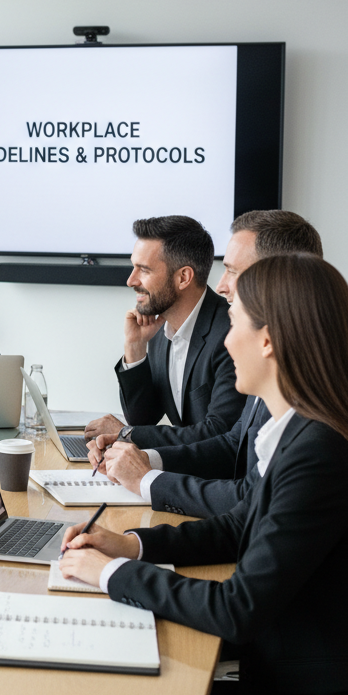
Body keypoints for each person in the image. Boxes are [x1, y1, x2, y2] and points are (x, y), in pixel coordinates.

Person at [60, 253, 348, 695]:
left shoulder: (318, 451)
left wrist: (111, 574)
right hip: (280, 685)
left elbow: (238, 609)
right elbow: (240, 525)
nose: (225, 340)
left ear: (268, 340)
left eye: (235, 321)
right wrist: (134, 544)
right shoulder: (299, 432)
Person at [91, 210, 324, 516]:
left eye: (232, 270)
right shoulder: (164, 331)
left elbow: (231, 458)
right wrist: (135, 348)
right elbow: (229, 444)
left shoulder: (238, 339)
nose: (222, 285)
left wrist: (142, 467)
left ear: (276, 278)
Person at [84, 215, 244, 448]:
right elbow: (143, 419)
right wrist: (135, 347)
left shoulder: (230, 334)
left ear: (183, 277)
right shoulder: (160, 330)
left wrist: (128, 434)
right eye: (133, 267)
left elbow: (220, 432)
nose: (131, 280)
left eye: (144, 270)